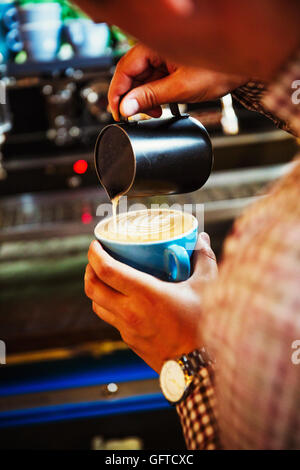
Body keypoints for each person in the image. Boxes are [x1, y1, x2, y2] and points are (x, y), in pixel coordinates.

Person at [78, 0, 300, 449]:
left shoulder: (278, 266)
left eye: (109, 8)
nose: (101, 20)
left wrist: (190, 357)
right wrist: (242, 66)